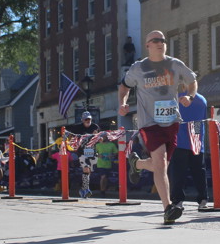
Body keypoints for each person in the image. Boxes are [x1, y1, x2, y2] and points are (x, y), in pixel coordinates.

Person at [119, 30, 197, 224]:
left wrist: (190, 96)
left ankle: (137, 164)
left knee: (159, 166)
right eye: (155, 40)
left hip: (171, 122)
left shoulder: (175, 64)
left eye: (162, 40)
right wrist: (123, 103)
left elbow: (192, 81)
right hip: (149, 123)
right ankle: (168, 208)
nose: (160, 43)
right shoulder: (138, 68)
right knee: (161, 163)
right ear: (147, 45)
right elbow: (124, 87)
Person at [168, 91, 210, 211]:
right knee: (199, 171)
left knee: (178, 173)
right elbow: (202, 120)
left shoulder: (176, 98)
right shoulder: (202, 100)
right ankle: (203, 199)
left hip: (180, 139)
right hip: (196, 138)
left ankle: (178, 200)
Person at [67, 112, 100, 198]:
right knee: (86, 168)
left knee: (89, 170)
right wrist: (73, 141)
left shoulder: (95, 126)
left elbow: (100, 138)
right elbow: (70, 137)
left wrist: (98, 136)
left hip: (91, 150)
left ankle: (83, 188)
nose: (88, 121)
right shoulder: (77, 127)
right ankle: (86, 189)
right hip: (81, 150)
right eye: (86, 119)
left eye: (89, 119)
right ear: (82, 120)